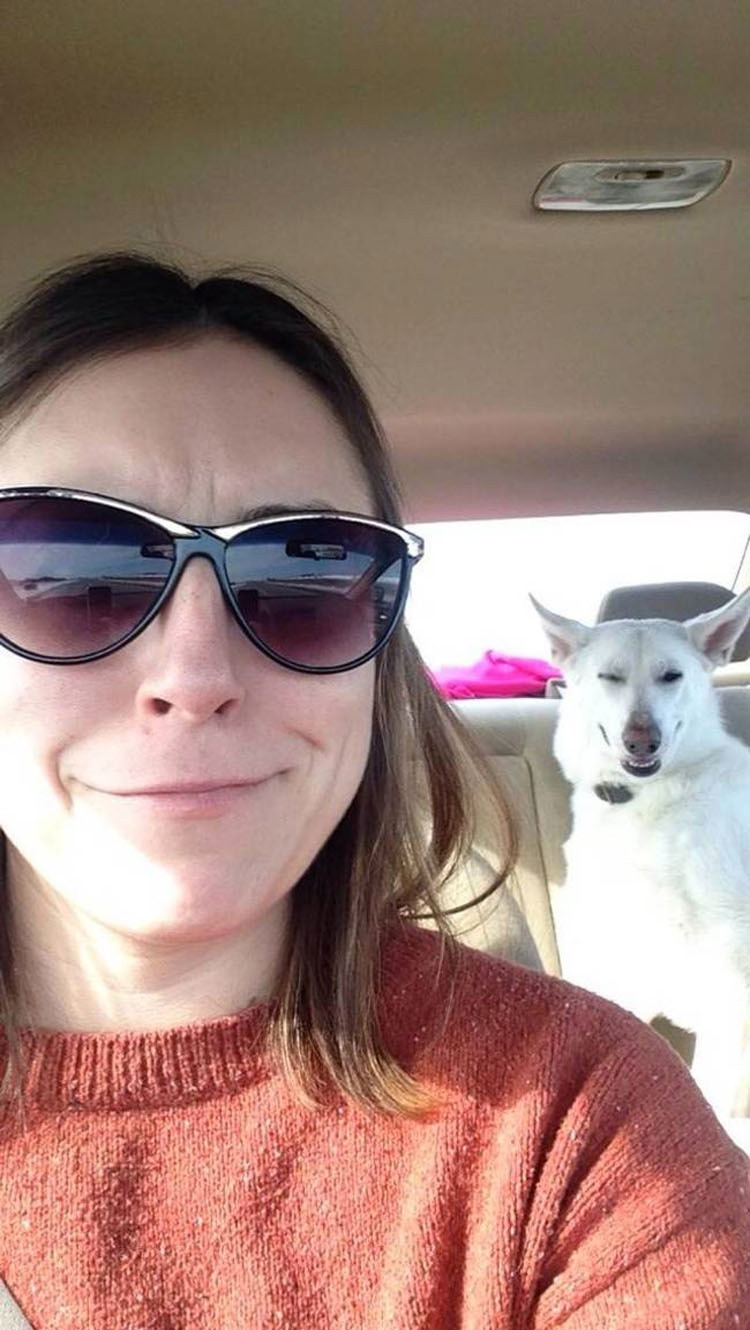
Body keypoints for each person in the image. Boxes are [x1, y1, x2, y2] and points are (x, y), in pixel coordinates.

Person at [0, 253, 746, 1330]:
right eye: (69, 573)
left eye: (303, 578)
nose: (194, 677)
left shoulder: (581, 1122)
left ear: (380, 653)